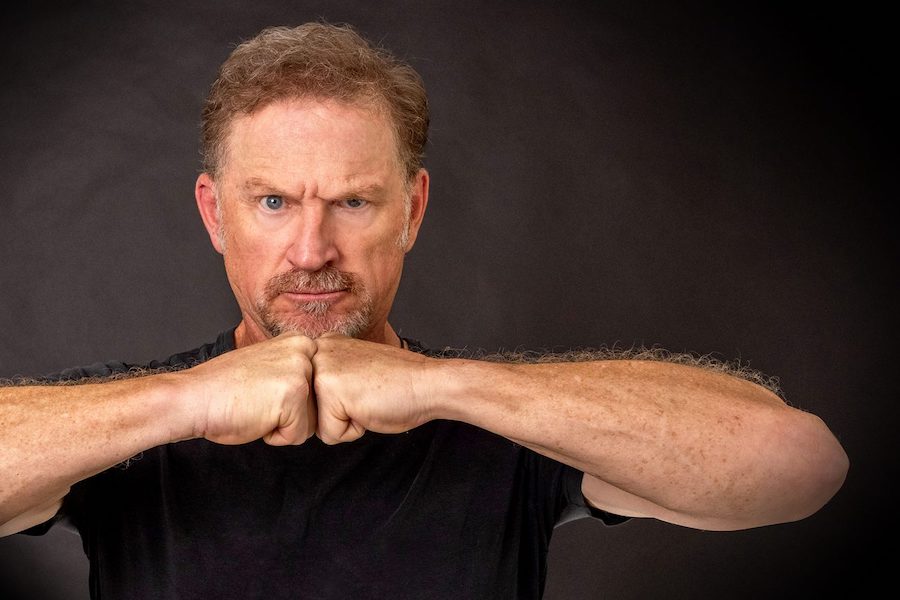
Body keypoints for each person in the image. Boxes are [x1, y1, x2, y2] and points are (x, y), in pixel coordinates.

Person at [0, 21, 848, 600]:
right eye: (272, 203)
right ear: (215, 214)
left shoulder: (505, 429)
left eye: (353, 202)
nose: (311, 250)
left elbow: (802, 465)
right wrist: (182, 402)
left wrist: (447, 388)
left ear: (412, 209)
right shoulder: (126, 427)